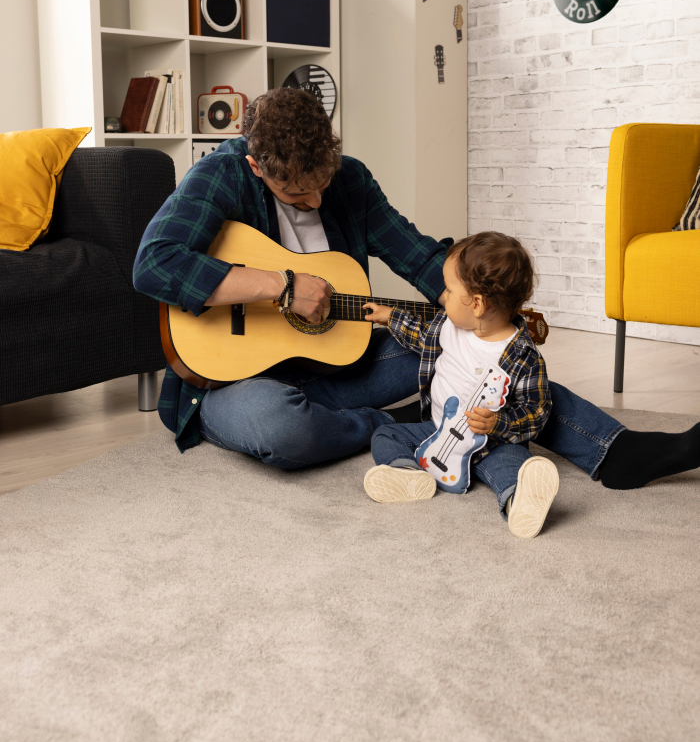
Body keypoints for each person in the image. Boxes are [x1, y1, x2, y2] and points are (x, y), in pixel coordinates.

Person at [133, 87, 700, 491]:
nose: (315, 201)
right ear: (257, 167)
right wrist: (280, 286)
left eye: (322, 184)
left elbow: (420, 256)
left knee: (488, 360)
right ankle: (412, 426)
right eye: (297, 195)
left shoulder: (349, 179)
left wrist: (494, 316)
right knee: (283, 430)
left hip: (342, 360)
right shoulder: (220, 176)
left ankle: (615, 451)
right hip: (234, 380)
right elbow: (153, 265)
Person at [363, 232, 560, 539]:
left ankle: (519, 502)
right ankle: (409, 475)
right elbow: (421, 334)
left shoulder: (522, 355)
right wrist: (391, 318)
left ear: (477, 304)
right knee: (385, 434)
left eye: (450, 291)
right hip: (438, 428)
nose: (444, 296)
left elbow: (537, 411)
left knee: (513, 464)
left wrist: (499, 423)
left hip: (493, 444)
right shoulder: (448, 327)